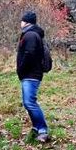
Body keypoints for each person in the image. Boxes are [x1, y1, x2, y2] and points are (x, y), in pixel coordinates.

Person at [16, 11, 49, 142]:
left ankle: (42, 130)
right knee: (28, 102)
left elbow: (29, 54)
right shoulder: (32, 34)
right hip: (31, 74)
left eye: (22, 20)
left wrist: (20, 69)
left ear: (26, 22)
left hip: (31, 74)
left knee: (30, 102)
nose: (21, 22)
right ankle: (36, 127)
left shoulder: (30, 35)